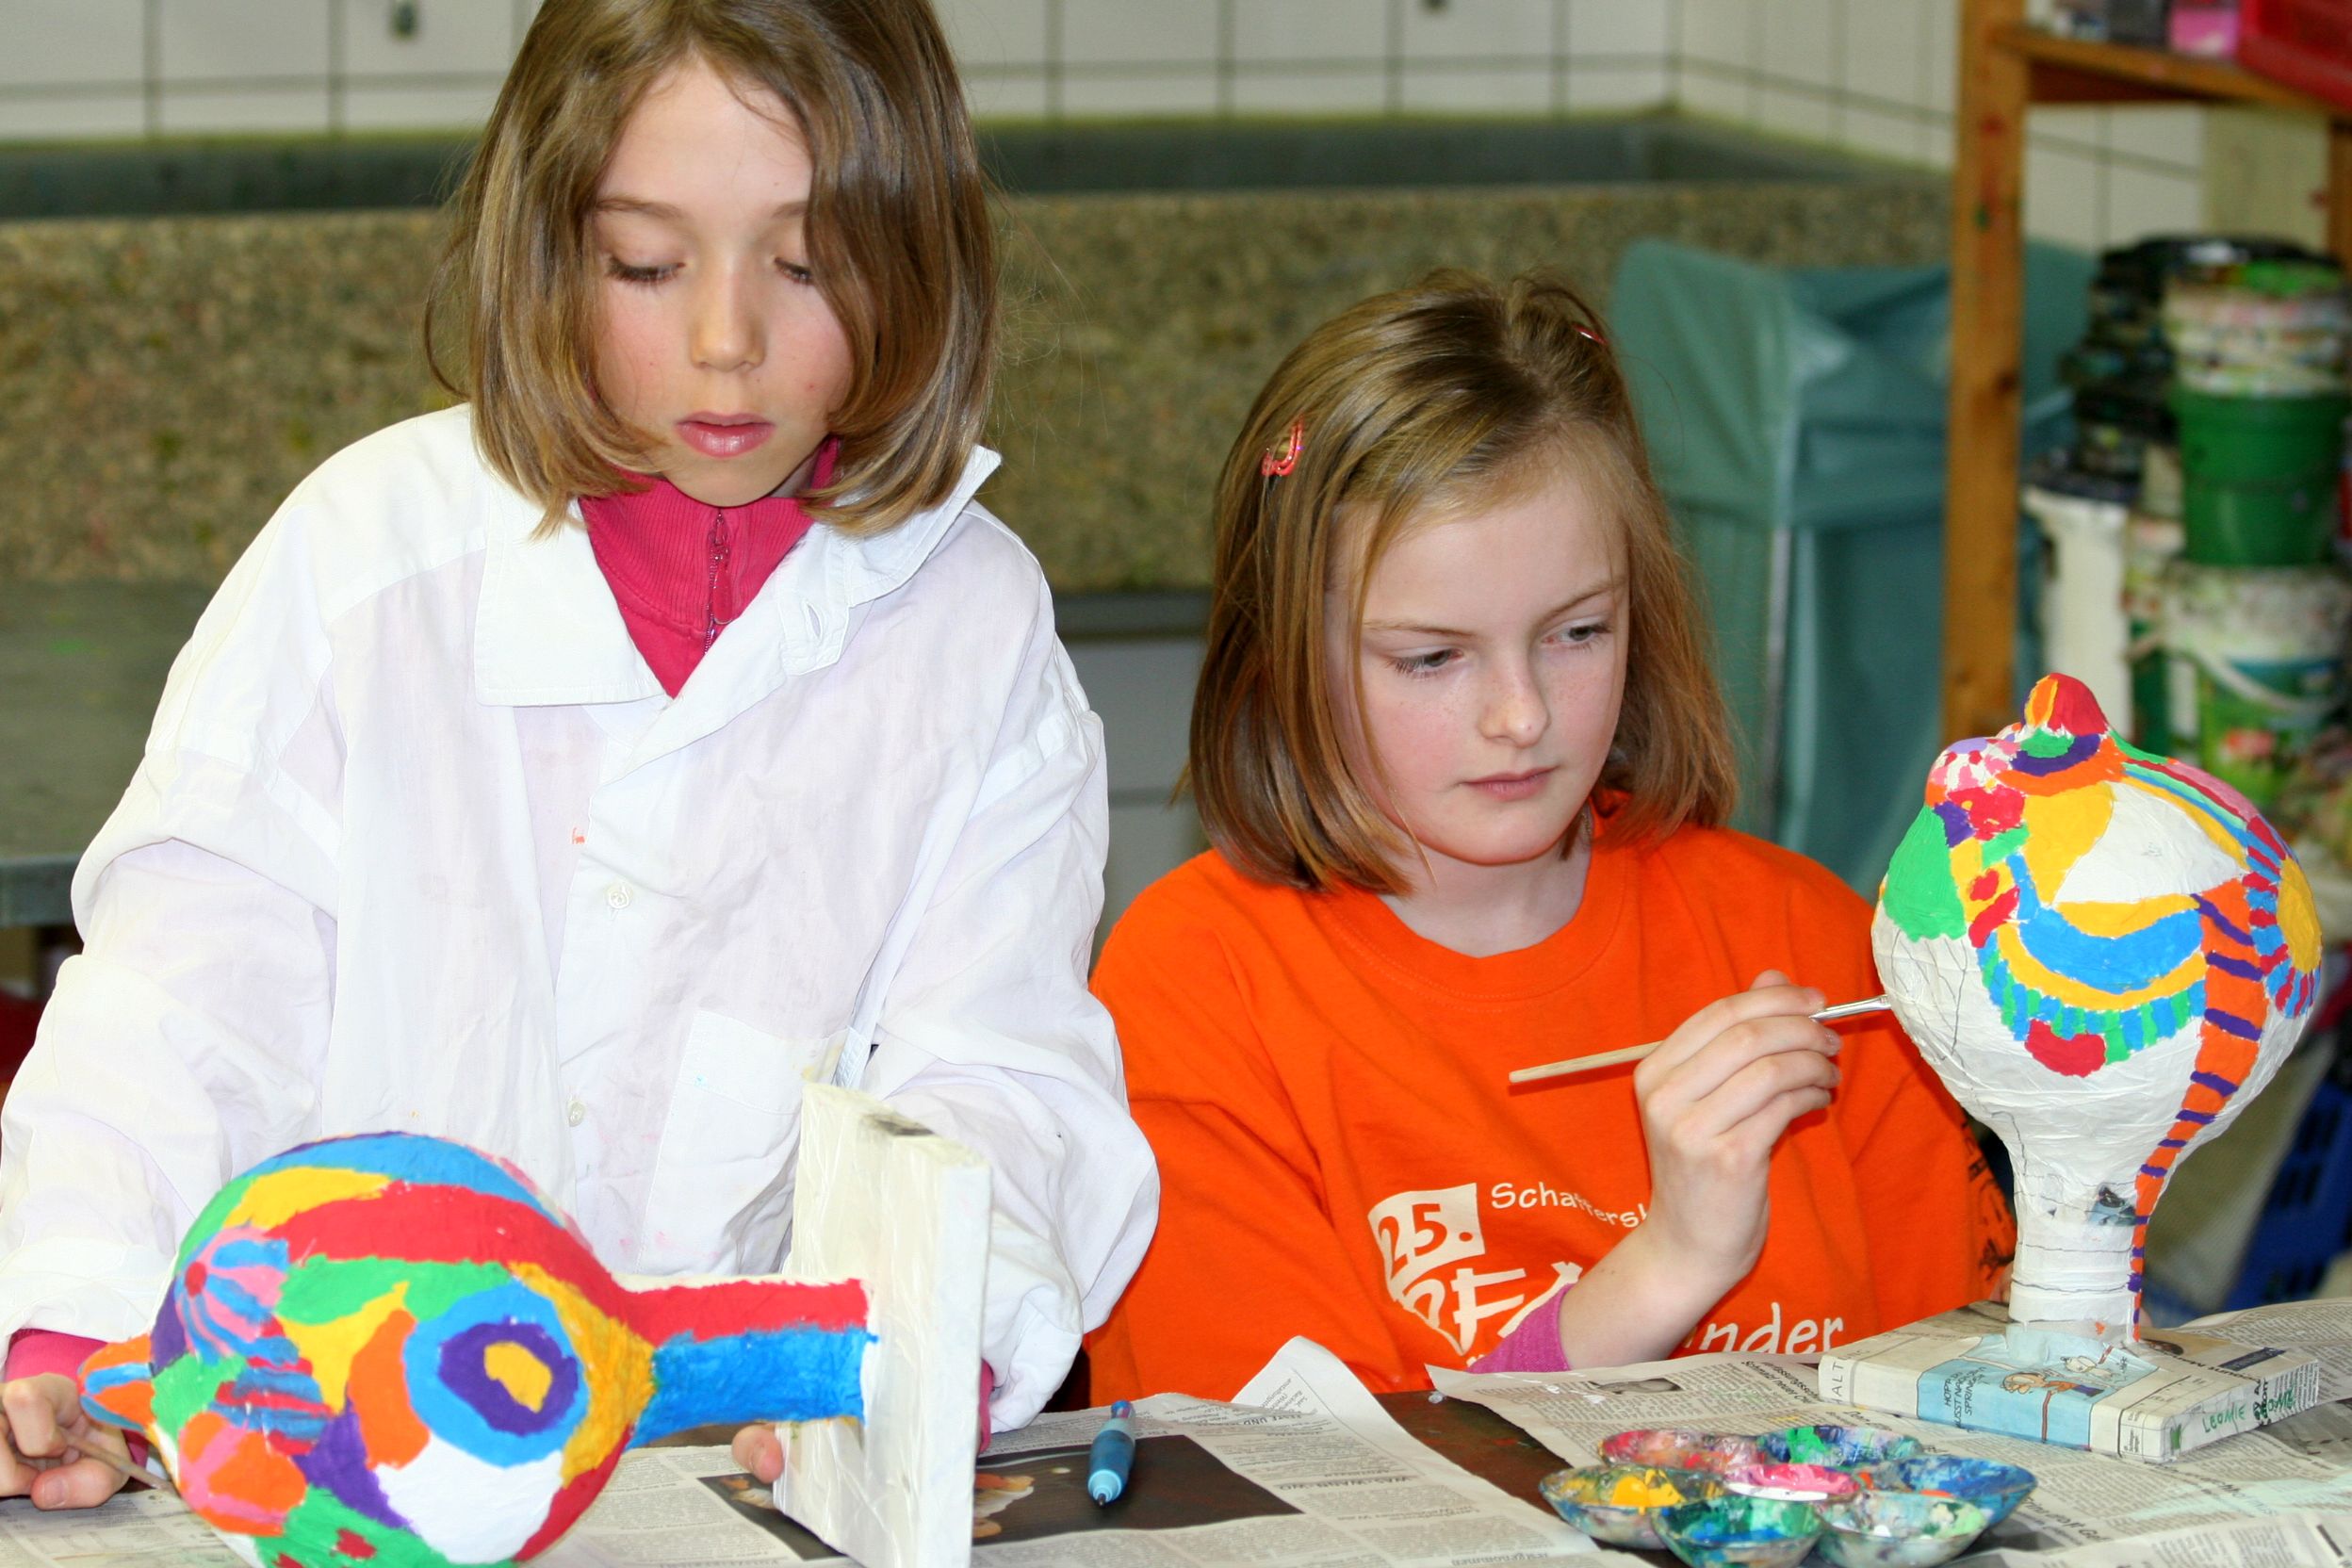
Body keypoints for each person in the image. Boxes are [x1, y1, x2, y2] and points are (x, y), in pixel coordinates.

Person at [0, 0, 1153, 1508]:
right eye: (647, 267)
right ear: (549, 254)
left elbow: (995, 1081)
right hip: (341, 1464)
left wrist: (912, 1354)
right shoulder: (367, 563)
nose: (726, 342)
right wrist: (73, 1331)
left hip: (737, 1460)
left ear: (919, 261)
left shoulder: (973, 628)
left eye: (809, 264)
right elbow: (180, 1013)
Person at [1086, 270, 2012, 1403]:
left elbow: (1967, 1403)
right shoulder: (1200, 986)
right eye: (1432, 657)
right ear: (1284, 656)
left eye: (1578, 632)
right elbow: (1294, 1478)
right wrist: (1666, 1266)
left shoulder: (1810, 940)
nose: (1521, 714)